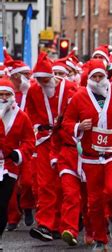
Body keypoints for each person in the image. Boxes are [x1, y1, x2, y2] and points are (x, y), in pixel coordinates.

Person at [62, 59, 112, 251]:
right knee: (94, 201)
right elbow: (67, 121)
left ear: (106, 76)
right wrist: (79, 127)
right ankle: (100, 239)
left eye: (100, 76)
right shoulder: (79, 97)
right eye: (94, 76)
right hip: (91, 155)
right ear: (88, 78)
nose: (97, 80)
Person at [27, 52, 77, 242]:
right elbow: (30, 112)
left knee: (64, 184)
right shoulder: (33, 90)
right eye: (38, 79)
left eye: (44, 78)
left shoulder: (71, 88)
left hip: (65, 140)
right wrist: (36, 125)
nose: (41, 82)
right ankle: (46, 225)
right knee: (45, 183)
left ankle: (65, 224)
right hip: (44, 141)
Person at [0, 78, 35, 250]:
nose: (4, 98)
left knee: (3, 203)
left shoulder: (21, 116)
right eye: (1, 94)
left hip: (9, 166)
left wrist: (18, 153)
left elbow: (30, 140)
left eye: (8, 94)